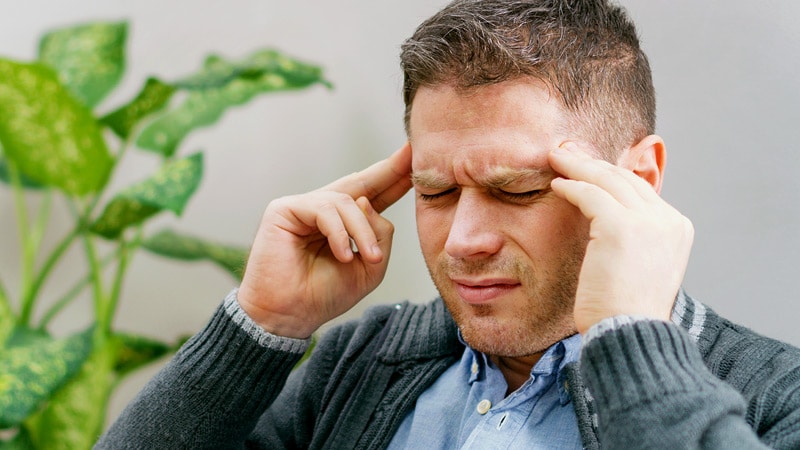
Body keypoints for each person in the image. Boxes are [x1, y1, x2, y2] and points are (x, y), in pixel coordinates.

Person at [96, 0, 800, 448]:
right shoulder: (358, 365)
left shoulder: (776, 398)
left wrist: (633, 345)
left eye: (518, 190)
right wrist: (259, 326)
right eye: (434, 191)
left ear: (638, 181)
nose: (463, 241)